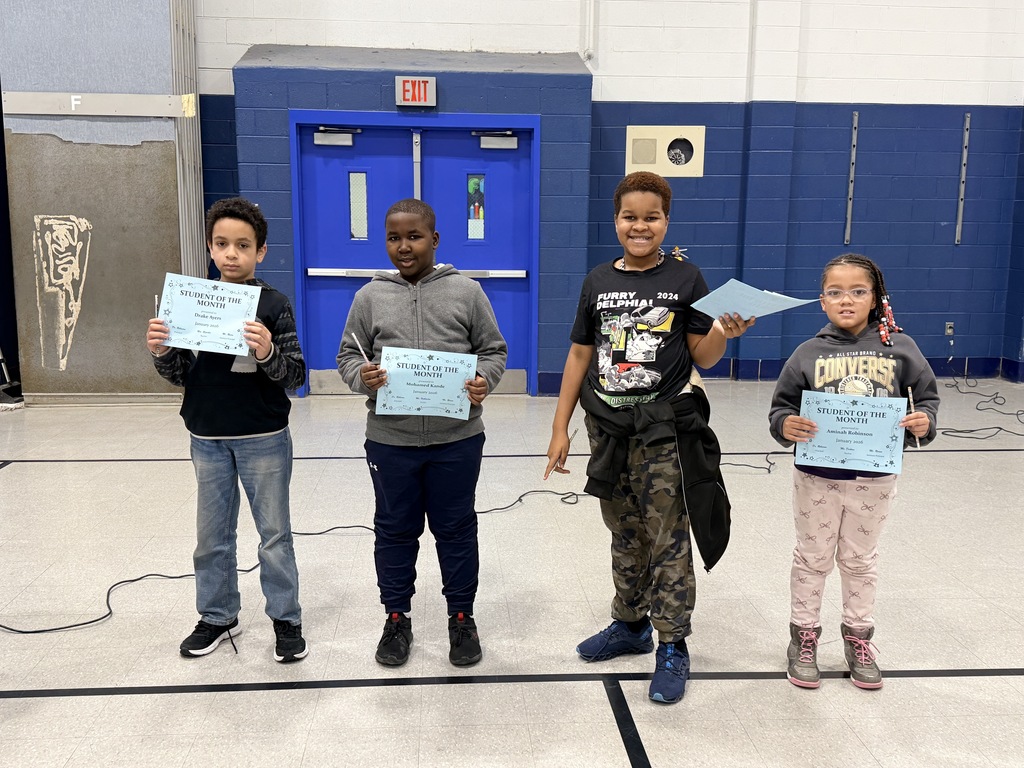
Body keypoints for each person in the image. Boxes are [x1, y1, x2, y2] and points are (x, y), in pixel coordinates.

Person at [544, 171, 754, 704]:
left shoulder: (686, 279)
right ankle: (631, 624)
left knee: (667, 534)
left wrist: (721, 334)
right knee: (624, 530)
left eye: (651, 216)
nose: (640, 226)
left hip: (664, 428)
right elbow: (579, 355)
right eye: (630, 216)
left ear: (666, 220)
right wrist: (559, 425)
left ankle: (672, 644)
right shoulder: (597, 280)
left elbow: (701, 355)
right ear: (616, 220)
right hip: (606, 427)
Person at [337, 198, 507, 668]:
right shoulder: (368, 297)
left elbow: (493, 351)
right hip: (390, 441)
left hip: (457, 439)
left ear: (435, 239)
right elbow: (347, 357)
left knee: (455, 529)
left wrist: (482, 382)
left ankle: (461, 618)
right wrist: (362, 377)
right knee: (394, 530)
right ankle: (396, 618)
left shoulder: (467, 292)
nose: (404, 246)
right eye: (394, 237)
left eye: (414, 236)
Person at [146, 197, 308, 663]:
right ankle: (217, 615)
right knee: (211, 536)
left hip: (263, 437)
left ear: (260, 252)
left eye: (242, 245)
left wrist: (266, 355)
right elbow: (179, 374)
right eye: (221, 244)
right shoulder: (190, 302)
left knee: (274, 534)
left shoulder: (274, 305)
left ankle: (286, 617)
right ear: (210, 248)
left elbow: (295, 375)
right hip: (207, 436)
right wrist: (161, 351)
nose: (230, 253)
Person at [769, 253, 939, 690]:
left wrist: (924, 423)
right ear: (822, 301)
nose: (847, 300)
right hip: (817, 476)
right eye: (835, 292)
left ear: (876, 297)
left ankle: (858, 638)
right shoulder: (808, 353)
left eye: (858, 291)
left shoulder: (900, 348)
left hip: (875, 479)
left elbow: (927, 398)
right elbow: (782, 407)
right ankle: (803, 637)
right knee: (811, 557)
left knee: (860, 560)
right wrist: (785, 425)